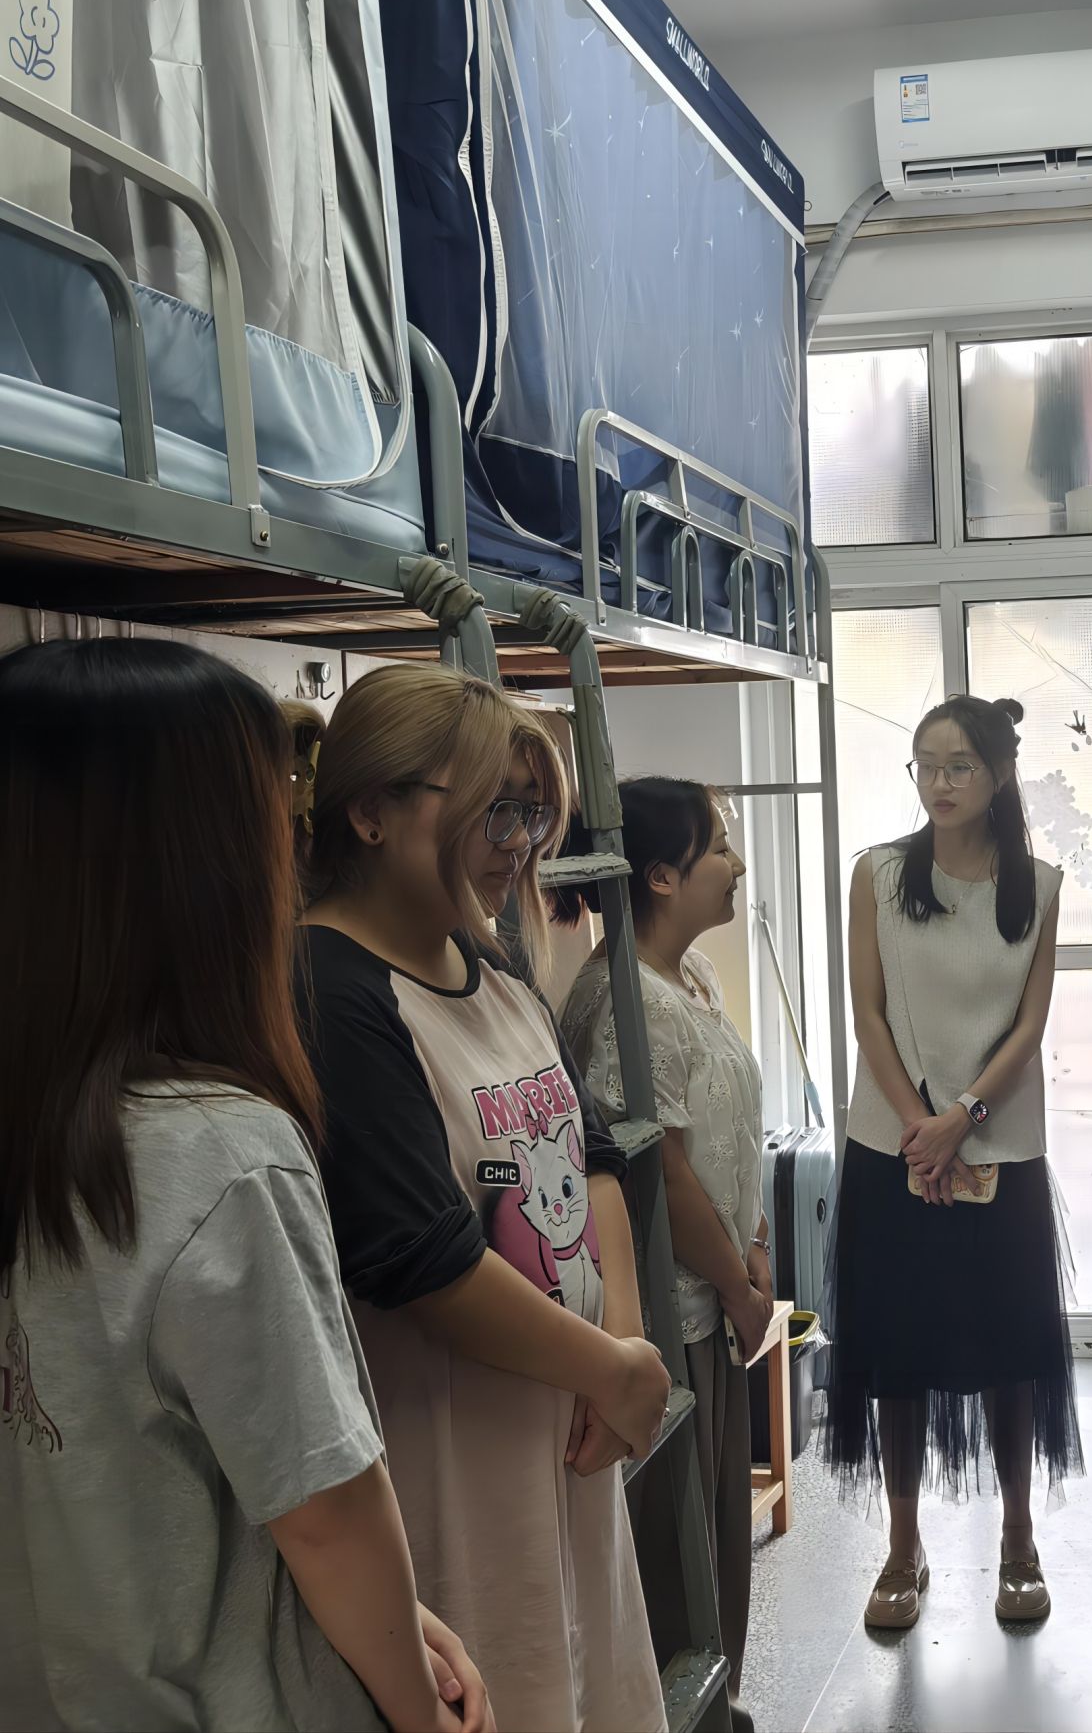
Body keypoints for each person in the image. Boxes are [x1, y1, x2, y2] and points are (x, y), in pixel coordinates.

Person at [0, 639, 490, 1733]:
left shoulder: (44, 1122)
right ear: (202, 869)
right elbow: (325, 1512)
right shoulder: (221, 1155)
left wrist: (394, 1615)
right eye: (273, 822)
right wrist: (417, 1709)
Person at [295, 662, 668, 1733]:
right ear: (370, 811)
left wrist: (622, 1346)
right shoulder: (333, 989)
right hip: (454, 1480)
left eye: (533, 814)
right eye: (494, 810)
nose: (519, 842)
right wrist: (608, 1367)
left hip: (571, 1447)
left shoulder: (491, 966)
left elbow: (593, 1156)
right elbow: (424, 1260)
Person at [825, 694, 1078, 1630]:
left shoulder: (1039, 884)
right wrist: (919, 1127)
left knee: (1012, 1350)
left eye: (959, 764)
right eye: (925, 764)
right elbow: (868, 1015)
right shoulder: (880, 874)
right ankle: (903, 1546)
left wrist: (961, 1118)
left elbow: (1029, 1026)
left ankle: (1018, 1539)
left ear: (1000, 774)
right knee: (896, 1353)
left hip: (998, 1144)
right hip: (893, 1145)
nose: (939, 781)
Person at [557, 778, 768, 1733]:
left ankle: (720, 1705)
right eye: (717, 846)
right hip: (671, 1310)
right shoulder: (624, 1003)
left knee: (717, 1531)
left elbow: (725, 1139)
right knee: (675, 1548)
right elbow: (662, 1176)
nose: (735, 863)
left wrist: (754, 1248)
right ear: (661, 875)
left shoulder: (692, 979)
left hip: (718, 1293)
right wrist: (736, 1283)